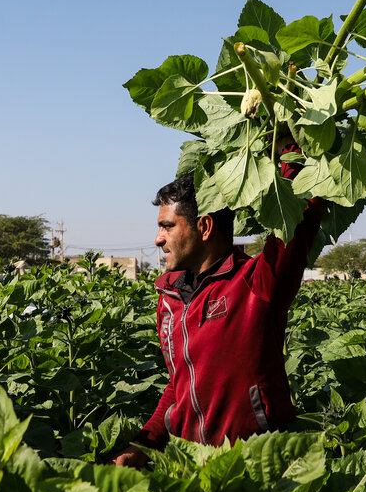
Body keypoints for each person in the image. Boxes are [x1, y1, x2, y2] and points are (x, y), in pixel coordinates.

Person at [113, 152, 323, 468]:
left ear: (205, 226)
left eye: (168, 226)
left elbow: (296, 214)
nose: (158, 239)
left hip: (256, 467)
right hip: (191, 470)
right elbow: (178, 385)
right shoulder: (169, 300)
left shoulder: (258, 282)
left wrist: (285, 143)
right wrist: (145, 443)